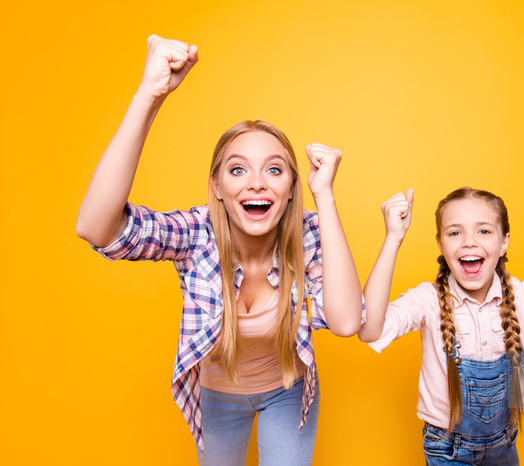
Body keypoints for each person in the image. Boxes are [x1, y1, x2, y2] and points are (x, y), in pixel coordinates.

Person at [76, 35, 363, 465]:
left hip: (288, 391)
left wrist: (325, 197)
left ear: (288, 191)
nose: (256, 182)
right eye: (237, 169)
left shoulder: (307, 233)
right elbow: (97, 229)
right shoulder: (197, 234)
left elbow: (344, 322)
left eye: (274, 169)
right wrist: (149, 95)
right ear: (218, 187)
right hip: (215, 396)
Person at [358, 185, 524, 465]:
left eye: (483, 231)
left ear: (504, 242)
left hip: (504, 443)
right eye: (454, 232)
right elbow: (369, 330)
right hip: (447, 448)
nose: (469, 242)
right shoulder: (427, 300)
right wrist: (393, 239)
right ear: (440, 244)